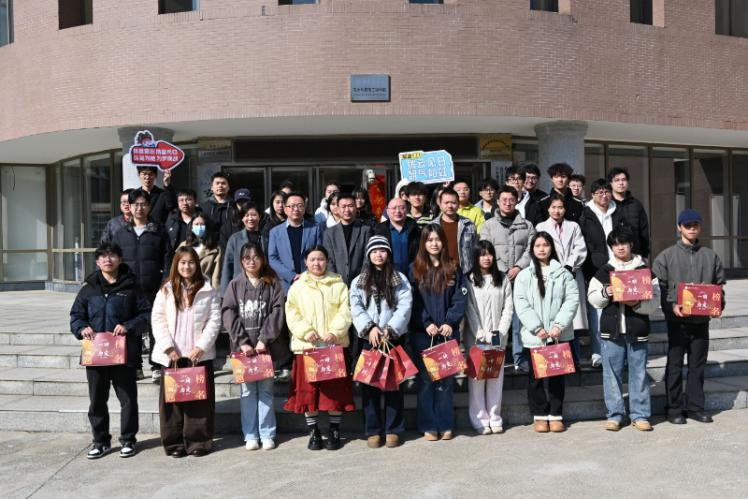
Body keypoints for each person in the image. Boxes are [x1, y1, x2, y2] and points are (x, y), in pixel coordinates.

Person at [70, 243, 151, 459]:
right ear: (97, 262)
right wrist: (81, 328)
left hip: (123, 354)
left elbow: (146, 315)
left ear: (120, 259)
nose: (108, 259)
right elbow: (76, 316)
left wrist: (128, 326)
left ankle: (128, 440)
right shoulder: (88, 289)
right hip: (96, 355)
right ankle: (100, 441)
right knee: (97, 400)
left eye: (112, 255)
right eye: (103, 256)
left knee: (128, 400)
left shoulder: (132, 287)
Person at [652, 209, 726, 425]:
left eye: (695, 225)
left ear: (700, 227)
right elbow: (659, 289)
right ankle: (673, 408)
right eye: (687, 225)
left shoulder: (710, 256)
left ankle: (695, 407)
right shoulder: (666, 256)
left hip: (701, 321)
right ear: (679, 227)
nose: (692, 228)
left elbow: (718, 287)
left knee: (697, 365)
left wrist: (719, 305)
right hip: (677, 321)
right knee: (675, 365)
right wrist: (671, 307)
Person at [151, 246, 221, 458]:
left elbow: (214, 320)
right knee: (172, 402)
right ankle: (174, 443)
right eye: (182, 262)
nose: (187, 266)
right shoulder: (166, 290)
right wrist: (168, 347)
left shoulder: (208, 289)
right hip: (172, 355)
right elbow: (158, 319)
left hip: (198, 355)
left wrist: (201, 347)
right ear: (176, 265)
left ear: (197, 264)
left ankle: (198, 442)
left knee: (199, 401)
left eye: (191, 262)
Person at [588, 227, 660, 432]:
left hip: (637, 329)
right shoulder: (604, 271)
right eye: (616, 244)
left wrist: (636, 304)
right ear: (611, 247)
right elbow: (592, 298)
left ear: (631, 245)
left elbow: (655, 301)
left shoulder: (645, 271)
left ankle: (640, 415)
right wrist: (606, 292)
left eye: (624, 243)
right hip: (611, 331)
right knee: (611, 374)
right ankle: (615, 415)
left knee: (639, 373)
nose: (620, 247)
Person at [284, 246, 354, 451]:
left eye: (321, 259)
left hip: (333, 346)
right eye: (312, 259)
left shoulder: (338, 284)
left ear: (327, 261)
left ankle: (334, 430)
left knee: (335, 392)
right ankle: (313, 431)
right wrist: (306, 331)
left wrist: (335, 332)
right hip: (308, 347)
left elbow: (345, 310)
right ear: (305, 262)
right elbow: (292, 313)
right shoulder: (298, 286)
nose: (317, 263)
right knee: (309, 392)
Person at [221, 242, 286, 451]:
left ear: (263, 259)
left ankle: (267, 433)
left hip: (266, 348)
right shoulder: (235, 285)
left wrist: (264, 339)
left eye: (256, 257)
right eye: (247, 258)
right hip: (243, 351)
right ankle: (250, 435)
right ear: (241, 261)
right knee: (247, 392)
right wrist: (242, 341)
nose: (252, 261)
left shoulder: (272, 283)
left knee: (266, 390)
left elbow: (277, 311)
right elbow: (228, 313)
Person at [350, 236, 413, 449]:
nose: (379, 255)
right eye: (374, 251)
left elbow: (405, 305)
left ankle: (394, 429)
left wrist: (390, 328)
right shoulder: (359, 281)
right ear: (369, 254)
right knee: (370, 386)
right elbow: (356, 307)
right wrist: (370, 328)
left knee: (394, 385)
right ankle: (373, 430)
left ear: (389, 254)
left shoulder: (399, 278)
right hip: (369, 339)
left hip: (392, 338)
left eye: (383, 251)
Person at [514, 232, 579, 433]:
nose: (542, 249)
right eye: (538, 245)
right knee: (536, 377)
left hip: (558, 334)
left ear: (552, 247)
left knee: (557, 376)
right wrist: (537, 327)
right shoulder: (524, 275)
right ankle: (540, 415)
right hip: (535, 336)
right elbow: (521, 303)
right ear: (532, 249)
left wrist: (559, 325)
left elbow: (571, 300)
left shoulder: (564, 274)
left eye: (545, 245)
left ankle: (556, 414)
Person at [409, 225, 467, 441]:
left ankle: (445, 423)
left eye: (437, 239)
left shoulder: (453, 268)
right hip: (424, 334)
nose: (434, 243)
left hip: (447, 334)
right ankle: (428, 424)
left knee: (446, 381)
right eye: (429, 240)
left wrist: (451, 321)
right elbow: (412, 301)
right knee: (425, 381)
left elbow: (460, 298)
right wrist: (425, 322)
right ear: (423, 244)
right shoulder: (414, 269)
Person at [112, 188, 171, 382]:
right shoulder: (121, 233)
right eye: (135, 204)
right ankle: (135, 366)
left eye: (143, 204)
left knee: (156, 327)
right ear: (129, 207)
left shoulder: (159, 231)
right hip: (129, 288)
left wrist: (165, 281)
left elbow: (167, 258)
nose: (139, 208)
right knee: (132, 328)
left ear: (149, 206)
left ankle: (156, 365)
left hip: (154, 287)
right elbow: (114, 259)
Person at [480, 185, 536, 372]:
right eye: (504, 199)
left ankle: (519, 357)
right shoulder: (488, 225)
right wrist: (502, 269)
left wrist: (519, 267)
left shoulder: (527, 225)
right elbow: (485, 248)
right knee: (496, 318)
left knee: (520, 319)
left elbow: (531, 249)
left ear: (517, 201)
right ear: (497, 201)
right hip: (497, 277)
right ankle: (497, 355)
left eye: (511, 199)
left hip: (521, 278)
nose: (508, 203)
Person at [464, 240, 513, 435]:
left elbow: (508, 308)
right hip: (476, 338)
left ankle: (494, 417)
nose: (486, 258)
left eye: (489, 254)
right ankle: (479, 419)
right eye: (482, 254)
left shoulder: (502, 279)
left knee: (495, 378)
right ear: (476, 257)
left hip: (498, 338)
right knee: (477, 379)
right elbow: (469, 308)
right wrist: (480, 333)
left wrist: (499, 332)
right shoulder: (469, 279)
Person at [579, 179, 629, 367]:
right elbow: (584, 242)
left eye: (606, 191)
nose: (604, 195)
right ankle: (598, 352)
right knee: (597, 311)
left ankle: (619, 353)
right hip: (596, 269)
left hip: (620, 267)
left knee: (621, 310)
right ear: (592, 195)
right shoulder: (586, 214)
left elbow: (627, 236)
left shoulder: (619, 212)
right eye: (599, 192)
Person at [536, 193, 589, 353]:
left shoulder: (574, 226)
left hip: (572, 273)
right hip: (549, 275)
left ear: (565, 209)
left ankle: (575, 358)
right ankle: (555, 355)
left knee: (572, 316)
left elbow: (580, 248)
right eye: (553, 207)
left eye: (560, 207)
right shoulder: (540, 227)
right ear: (548, 209)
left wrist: (569, 265)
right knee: (552, 318)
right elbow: (539, 250)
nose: (557, 211)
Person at [268, 192, 323, 294]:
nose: (296, 209)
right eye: (292, 206)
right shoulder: (275, 232)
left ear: (304, 208)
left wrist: (305, 275)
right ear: (285, 209)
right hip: (285, 284)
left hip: (310, 282)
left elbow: (320, 255)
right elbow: (272, 258)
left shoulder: (315, 229)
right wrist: (292, 276)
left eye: (300, 205)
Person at [323, 193, 372, 287]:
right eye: (343, 206)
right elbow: (329, 260)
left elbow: (367, 257)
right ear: (338, 209)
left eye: (350, 206)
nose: (347, 210)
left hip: (361, 283)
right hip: (336, 284)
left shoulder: (365, 230)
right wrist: (336, 282)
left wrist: (361, 280)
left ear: (356, 208)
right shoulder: (329, 233)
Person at [607, 167, 651, 260]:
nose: (621, 183)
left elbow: (644, 231)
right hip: (612, 256)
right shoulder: (607, 204)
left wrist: (645, 254)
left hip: (635, 254)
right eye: (617, 180)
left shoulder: (636, 204)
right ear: (611, 183)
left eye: (624, 180)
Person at [221, 203, 265, 295]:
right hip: (240, 288)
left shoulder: (265, 238)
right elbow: (228, 266)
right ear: (242, 218)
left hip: (262, 286)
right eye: (246, 215)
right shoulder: (235, 239)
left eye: (253, 215)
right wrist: (224, 293)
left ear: (259, 216)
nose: (250, 218)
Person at [431, 187, 477, 275]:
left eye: (453, 203)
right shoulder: (432, 226)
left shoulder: (468, 225)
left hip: (465, 273)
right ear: (440, 204)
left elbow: (475, 250)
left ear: (458, 204)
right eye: (446, 203)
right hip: (440, 273)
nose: (450, 206)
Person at [373, 197, 420, 276]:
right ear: (387, 211)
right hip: (388, 275)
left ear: (407, 210)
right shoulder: (379, 230)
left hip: (413, 275)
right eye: (394, 208)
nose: (398, 211)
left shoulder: (415, 229)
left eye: (402, 208)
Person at [180, 214, 221, 290]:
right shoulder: (183, 246)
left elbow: (216, 276)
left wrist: (216, 293)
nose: (199, 227)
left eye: (202, 224)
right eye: (196, 224)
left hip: (204, 288)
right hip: (184, 287)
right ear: (192, 227)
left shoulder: (215, 249)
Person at [218, 188, 253, 253]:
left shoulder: (259, 222)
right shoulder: (227, 226)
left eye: (245, 201)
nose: (242, 205)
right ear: (235, 205)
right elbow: (225, 251)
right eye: (240, 202)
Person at [202, 172, 234, 241]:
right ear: (212, 187)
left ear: (228, 187)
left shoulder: (234, 207)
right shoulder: (203, 207)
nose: (220, 186)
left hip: (230, 244)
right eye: (217, 183)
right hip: (209, 244)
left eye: (223, 183)